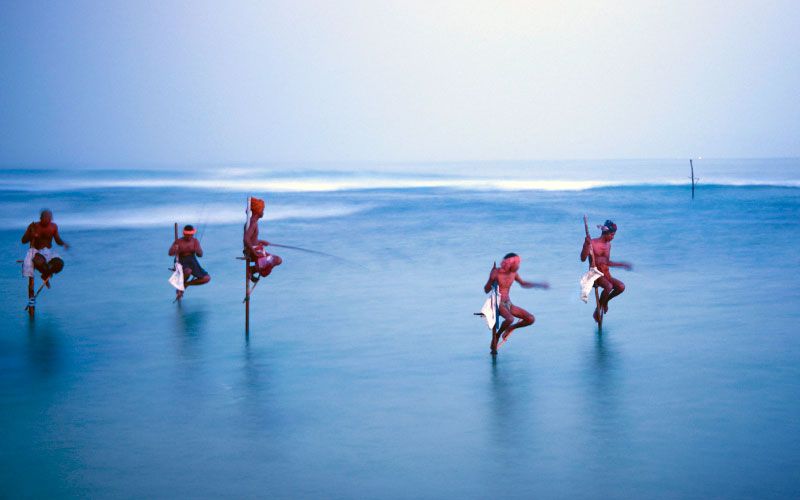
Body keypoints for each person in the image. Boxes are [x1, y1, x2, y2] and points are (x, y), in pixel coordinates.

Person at [483, 253, 549, 353]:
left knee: (530, 319)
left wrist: (538, 284)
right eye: (516, 263)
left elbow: (523, 283)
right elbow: (486, 290)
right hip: (497, 303)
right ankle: (497, 335)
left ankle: (509, 328)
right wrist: (491, 278)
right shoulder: (496, 273)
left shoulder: (514, 274)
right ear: (508, 264)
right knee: (510, 318)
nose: (518, 266)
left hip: (508, 303)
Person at [580, 220, 632, 323]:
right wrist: (586, 245)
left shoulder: (608, 245)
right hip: (594, 275)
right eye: (612, 234)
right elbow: (582, 258)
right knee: (609, 286)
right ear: (606, 233)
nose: (613, 237)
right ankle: (598, 310)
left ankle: (605, 302)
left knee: (621, 287)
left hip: (605, 274)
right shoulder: (593, 243)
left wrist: (621, 265)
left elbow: (606, 262)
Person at [21, 209, 69, 304]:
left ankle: (45, 274)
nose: (48, 220)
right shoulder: (33, 226)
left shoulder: (53, 226)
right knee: (38, 262)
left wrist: (64, 244)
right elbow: (23, 240)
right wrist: (31, 234)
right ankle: (45, 273)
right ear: (41, 218)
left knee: (59, 263)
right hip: (36, 251)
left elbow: (57, 240)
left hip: (48, 252)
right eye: (46, 218)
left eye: (50, 218)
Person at [244, 197, 282, 282]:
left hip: (257, 249)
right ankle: (255, 269)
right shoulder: (253, 223)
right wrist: (254, 252)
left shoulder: (252, 222)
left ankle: (254, 269)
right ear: (258, 210)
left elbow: (251, 239)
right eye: (263, 209)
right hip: (256, 251)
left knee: (276, 260)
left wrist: (260, 241)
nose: (263, 212)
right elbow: (246, 239)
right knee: (277, 260)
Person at [168, 224, 210, 300]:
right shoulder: (178, 241)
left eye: (191, 235)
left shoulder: (195, 241)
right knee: (188, 271)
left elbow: (200, 255)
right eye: (187, 235)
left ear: (193, 234)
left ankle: (186, 284)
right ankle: (180, 287)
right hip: (181, 260)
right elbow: (170, 253)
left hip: (192, 260)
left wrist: (198, 250)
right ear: (184, 234)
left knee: (207, 278)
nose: (189, 236)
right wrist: (174, 248)